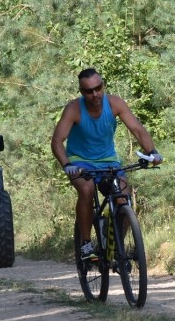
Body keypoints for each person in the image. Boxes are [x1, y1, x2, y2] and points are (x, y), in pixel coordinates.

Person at [51, 67, 162, 260]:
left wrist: (151, 152)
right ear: (81, 92)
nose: (95, 94)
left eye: (98, 88)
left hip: (109, 162)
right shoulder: (74, 109)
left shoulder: (115, 103)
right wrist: (67, 164)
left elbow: (137, 130)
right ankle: (85, 244)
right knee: (86, 191)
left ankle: (114, 242)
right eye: (88, 91)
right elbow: (57, 141)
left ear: (103, 85)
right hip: (80, 162)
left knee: (123, 198)